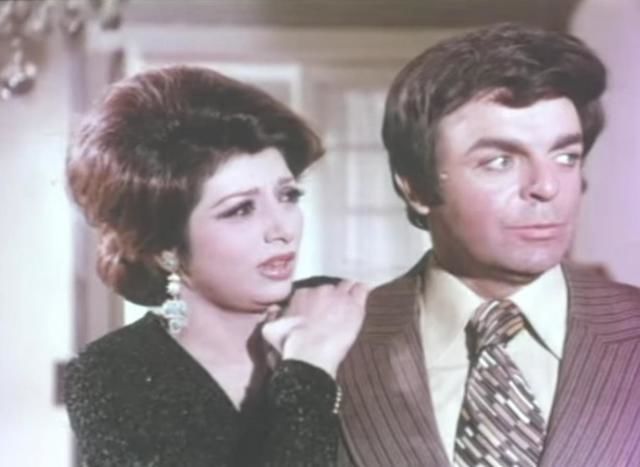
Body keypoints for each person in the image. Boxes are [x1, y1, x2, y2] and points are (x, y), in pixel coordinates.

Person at [338, 23, 640, 467]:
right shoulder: (334, 343)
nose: (547, 187)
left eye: (565, 157)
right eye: (500, 161)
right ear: (415, 188)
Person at [63, 65, 367, 467]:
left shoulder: (341, 308)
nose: (282, 229)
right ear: (167, 247)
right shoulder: (112, 375)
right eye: (241, 209)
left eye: (288, 196)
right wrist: (308, 369)